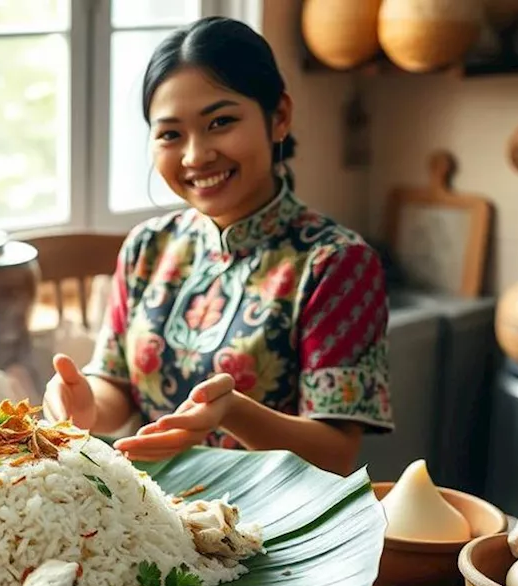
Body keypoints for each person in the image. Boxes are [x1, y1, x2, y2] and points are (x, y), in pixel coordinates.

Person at [43, 16, 392, 476]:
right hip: (151, 516)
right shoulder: (148, 247)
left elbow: (334, 454)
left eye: (220, 122)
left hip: (275, 531)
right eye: (170, 134)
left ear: (279, 117)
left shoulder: (335, 263)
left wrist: (234, 411)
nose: (194, 155)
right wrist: (83, 401)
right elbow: (115, 386)